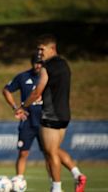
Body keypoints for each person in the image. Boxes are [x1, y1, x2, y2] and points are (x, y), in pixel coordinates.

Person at [15, 34, 87, 192]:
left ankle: (57, 188)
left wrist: (22, 107)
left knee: (51, 153)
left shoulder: (47, 67)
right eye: (38, 50)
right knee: (53, 149)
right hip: (64, 115)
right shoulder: (65, 64)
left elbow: (36, 92)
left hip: (50, 115)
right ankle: (76, 174)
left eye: (42, 49)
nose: (39, 53)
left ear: (52, 48)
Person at [2, 54, 44, 180]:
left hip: (45, 122)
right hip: (27, 122)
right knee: (23, 153)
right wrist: (15, 108)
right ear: (32, 63)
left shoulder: (48, 78)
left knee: (49, 154)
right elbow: (6, 90)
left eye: (40, 63)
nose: (38, 65)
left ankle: (54, 184)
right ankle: (19, 180)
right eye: (36, 63)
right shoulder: (23, 77)